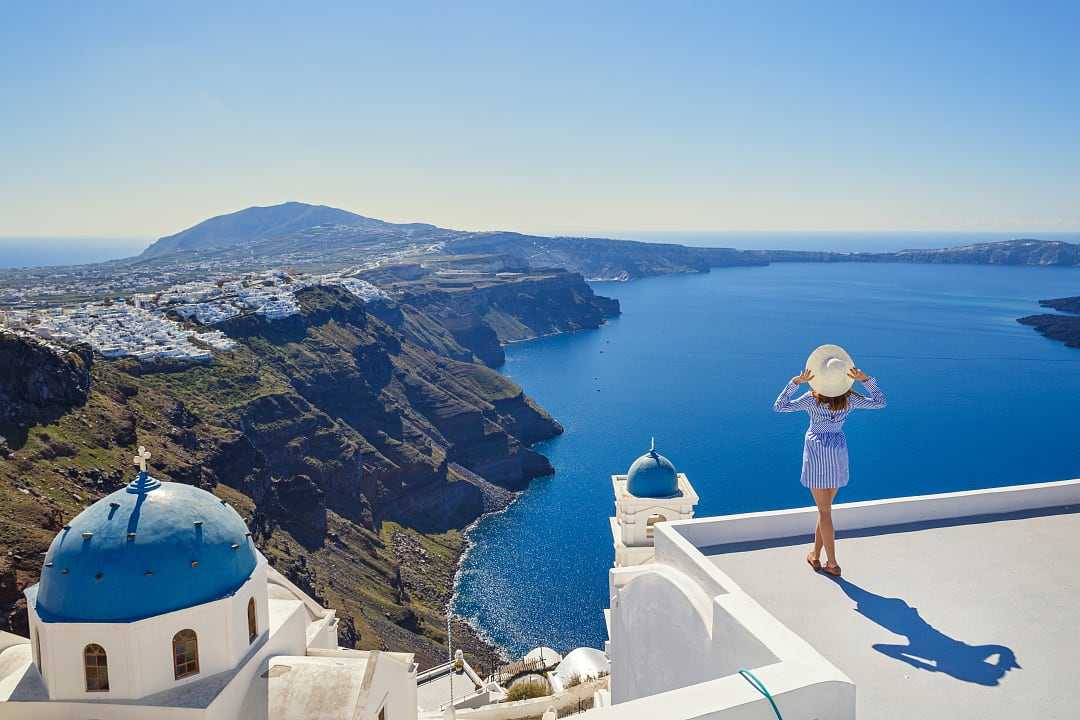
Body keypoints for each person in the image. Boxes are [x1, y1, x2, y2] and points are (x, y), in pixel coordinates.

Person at [773, 344, 886, 576]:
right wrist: (866, 380)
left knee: (824, 512)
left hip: (817, 452)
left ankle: (832, 562)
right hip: (836, 452)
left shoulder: (811, 400)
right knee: (824, 509)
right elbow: (880, 402)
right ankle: (815, 556)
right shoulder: (850, 400)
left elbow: (779, 407)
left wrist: (794, 383)